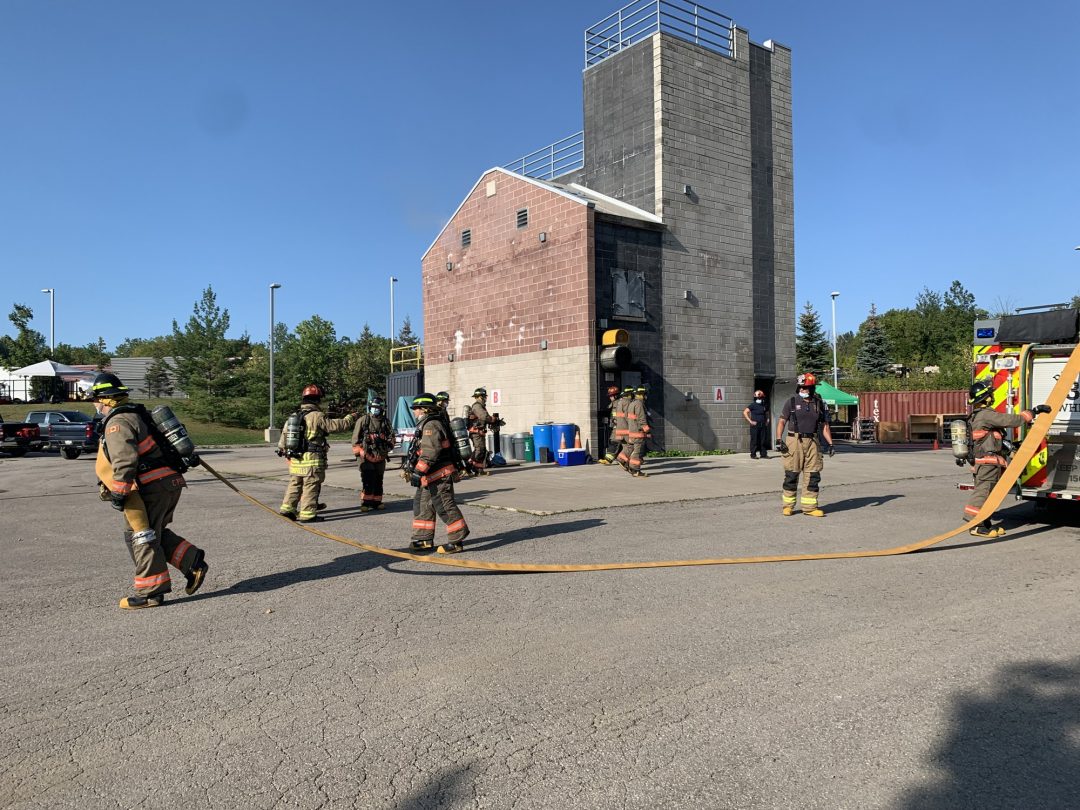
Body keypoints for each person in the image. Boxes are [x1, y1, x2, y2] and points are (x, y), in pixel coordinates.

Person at [86, 372, 208, 610]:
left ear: (106, 399)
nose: (94, 405)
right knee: (156, 531)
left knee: (139, 535)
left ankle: (151, 592)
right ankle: (191, 561)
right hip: (168, 483)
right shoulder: (138, 414)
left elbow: (124, 461)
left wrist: (120, 492)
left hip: (152, 486)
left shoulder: (117, 423)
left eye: (95, 399)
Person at [963, 379, 1052, 537]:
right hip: (987, 464)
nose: (992, 397)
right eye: (990, 395)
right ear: (986, 398)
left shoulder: (977, 416)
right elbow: (1012, 421)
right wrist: (1033, 412)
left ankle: (984, 521)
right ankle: (975, 524)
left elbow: (992, 438)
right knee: (983, 492)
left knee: (989, 493)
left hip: (987, 463)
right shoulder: (986, 415)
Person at [277, 384, 358, 522]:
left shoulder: (294, 416)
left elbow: (283, 439)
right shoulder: (317, 416)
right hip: (312, 460)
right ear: (317, 400)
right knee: (310, 485)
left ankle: (287, 509)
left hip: (296, 460)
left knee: (295, 484)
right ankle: (307, 514)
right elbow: (335, 426)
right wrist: (349, 418)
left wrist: (285, 452)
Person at [408, 393, 469, 554]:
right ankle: (424, 539)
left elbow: (430, 452)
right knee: (423, 505)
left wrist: (418, 472)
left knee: (444, 506)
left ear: (424, 410)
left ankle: (456, 541)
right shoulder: (429, 423)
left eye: (416, 409)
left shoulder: (431, 425)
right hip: (430, 474)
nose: (414, 412)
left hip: (440, 474)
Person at [775, 373, 833, 516]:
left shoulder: (819, 403)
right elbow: (782, 421)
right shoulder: (792, 402)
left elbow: (825, 425)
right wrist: (778, 439)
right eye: (801, 387)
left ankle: (810, 508)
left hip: (813, 441)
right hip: (794, 441)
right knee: (791, 473)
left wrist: (831, 444)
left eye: (806, 388)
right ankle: (788, 506)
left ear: (812, 388)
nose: (803, 390)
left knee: (813, 475)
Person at [351, 395, 395, 512]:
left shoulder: (385, 422)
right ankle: (366, 503)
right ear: (369, 408)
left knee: (378, 479)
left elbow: (392, 437)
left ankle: (377, 502)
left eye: (378, 407)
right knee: (368, 479)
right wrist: (360, 455)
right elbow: (355, 440)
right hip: (366, 456)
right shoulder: (363, 420)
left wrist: (388, 447)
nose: (375, 409)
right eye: (373, 407)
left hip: (380, 456)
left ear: (382, 409)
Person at [466, 386, 496, 476]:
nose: (486, 398)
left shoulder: (481, 406)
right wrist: (492, 419)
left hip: (479, 432)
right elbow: (484, 417)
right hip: (476, 433)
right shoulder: (477, 406)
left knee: (481, 451)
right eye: (485, 397)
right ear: (480, 397)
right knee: (479, 450)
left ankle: (479, 470)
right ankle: (468, 467)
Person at [625, 385, 651, 477]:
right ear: (641, 395)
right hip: (638, 432)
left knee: (633, 450)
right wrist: (647, 431)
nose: (646, 397)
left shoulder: (632, 403)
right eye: (645, 395)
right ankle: (635, 470)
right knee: (637, 452)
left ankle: (632, 467)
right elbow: (642, 419)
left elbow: (627, 418)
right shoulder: (639, 404)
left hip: (632, 431)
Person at [743, 389, 771, 459]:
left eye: (761, 396)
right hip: (755, 425)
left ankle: (763, 454)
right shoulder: (753, 405)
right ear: (755, 397)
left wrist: (767, 419)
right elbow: (745, 412)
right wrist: (750, 421)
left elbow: (766, 412)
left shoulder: (764, 405)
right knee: (754, 440)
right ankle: (753, 454)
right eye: (758, 396)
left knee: (763, 440)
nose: (760, 398)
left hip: (763, 424)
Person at [598, 385, 622, 464]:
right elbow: (609, 411)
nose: (610, 397)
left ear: (616, 395)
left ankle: (610, 459)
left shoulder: (620, 403)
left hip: (620, 426)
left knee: (615, 441)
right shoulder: (613, 403)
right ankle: (610, 459)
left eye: (611, 396)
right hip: (615, 426)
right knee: (615, 441)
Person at [614, 386, 634, 471]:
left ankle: (626, 463)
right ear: (629, 394)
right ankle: (621, 459)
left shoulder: (619, 402)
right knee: (631, 446)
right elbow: (628, 417)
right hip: (626, 429)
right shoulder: (628, 403)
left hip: (619, 429)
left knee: (625, 446)